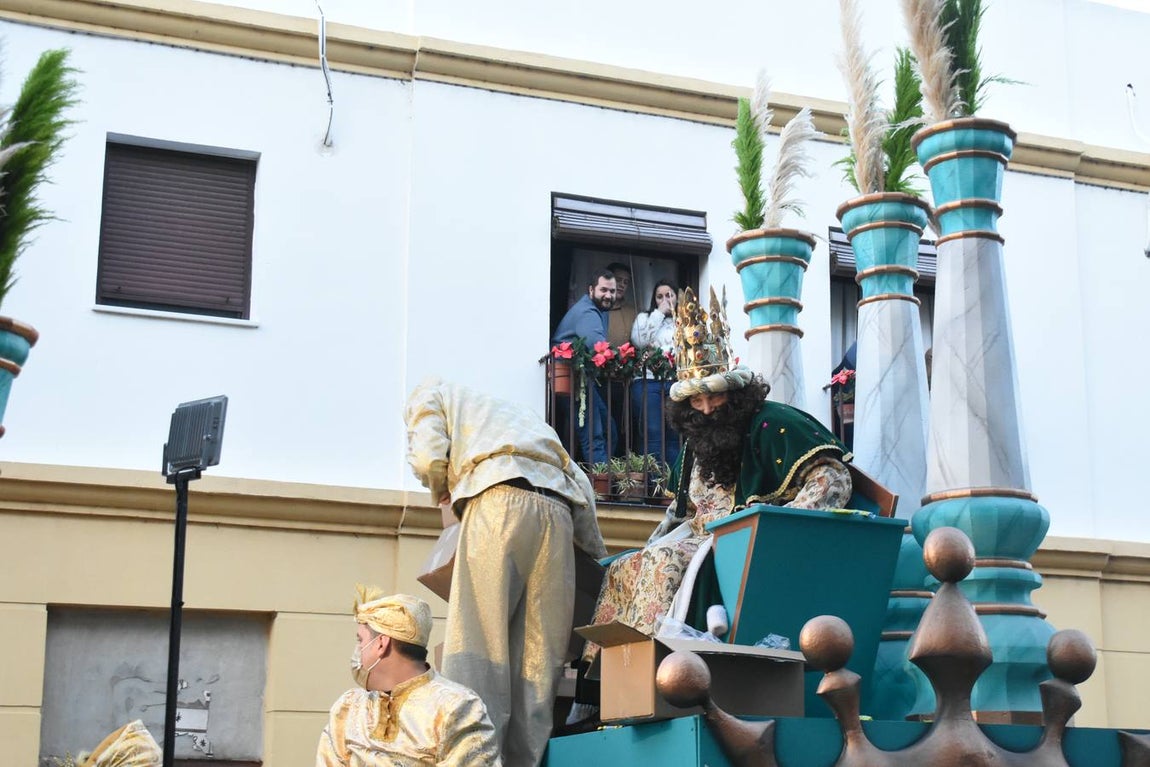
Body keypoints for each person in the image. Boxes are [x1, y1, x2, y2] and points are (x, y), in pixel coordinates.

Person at [582, 287, 852, 665]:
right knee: (626, 566)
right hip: (699, 538)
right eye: (696, 400)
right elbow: (679, 513)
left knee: (663, 564)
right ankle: (604, 684)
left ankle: (653, 672)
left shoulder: (774, 423)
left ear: (735, 393)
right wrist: (648, 546)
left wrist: (772, 525)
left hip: (745, 542)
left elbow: (832, 477)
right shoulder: (696, 442)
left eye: (715, 397)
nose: (707, 409)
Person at [405, 378, 607, 766]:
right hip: (559, 515)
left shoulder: (430, 390)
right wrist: (596, 558)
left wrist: (441, 492)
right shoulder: (533, 425)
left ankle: (470, 758)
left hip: (497, 501)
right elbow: (582, 486)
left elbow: (428, 457)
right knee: (539, 661)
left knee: (478, 647)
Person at [316, 587, 501, 767]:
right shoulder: (348, 708)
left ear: (381, 643)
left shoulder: (456, 707)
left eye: (360, 640)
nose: (357, 651)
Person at [552, 269, 619, 464]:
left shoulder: (596, 310)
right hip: (572, 377)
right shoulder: (588, 312)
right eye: (603, 290)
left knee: (608, 430)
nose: (608, 295)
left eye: (612, 291)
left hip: (581, 377)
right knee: (594, 435)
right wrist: (622, 357)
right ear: (591, 290)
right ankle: (600, 490)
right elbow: (597, 345)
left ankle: (602, 479)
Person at [629, 279, 680, 467]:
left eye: (669, 295)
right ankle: (652, 486)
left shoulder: (683, 320)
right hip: (648, 381)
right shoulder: (645, 317)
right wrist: (659, 313)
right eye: (660, 296)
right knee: (652, 432)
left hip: (675, 382)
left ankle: (672, 487)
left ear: (677, 297)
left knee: (674, 434)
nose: (665, 300)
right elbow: (640, 340)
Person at [605, 261, 638, 349]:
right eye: (618, 280)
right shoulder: (596, 308)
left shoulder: (632, 313)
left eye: (626, 282)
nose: (622, 285)